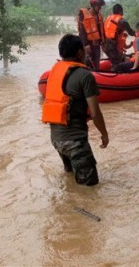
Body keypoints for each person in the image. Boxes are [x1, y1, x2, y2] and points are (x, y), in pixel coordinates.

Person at [41, 34, 109, 186]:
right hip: (75, 142)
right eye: (84, 49)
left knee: (72, 183)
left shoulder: (55, 72)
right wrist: (104, 134)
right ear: (79, 52)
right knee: (90, 188)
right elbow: (95, 112)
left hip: (57, 140)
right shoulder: (85, 76)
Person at [77, 0, 106, 71]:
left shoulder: (99, 16)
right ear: (93, 5)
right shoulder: (84, 15)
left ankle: (95, 77)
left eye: (100, 6)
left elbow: (101, 31)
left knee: (96, 63)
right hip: (88, 45)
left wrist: (103, 43)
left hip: (96, 45)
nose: (100, 8)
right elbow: (82, 31)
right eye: (98, 6)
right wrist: (86, 44)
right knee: (87, 62)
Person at [103, 4, 135, 68]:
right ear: (120, 11)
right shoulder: (122, 21)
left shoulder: (108, 19)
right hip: (113, 48)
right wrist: (138, 33)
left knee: (115, 62)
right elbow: (131, 33)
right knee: (117, 65)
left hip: (105, 46)